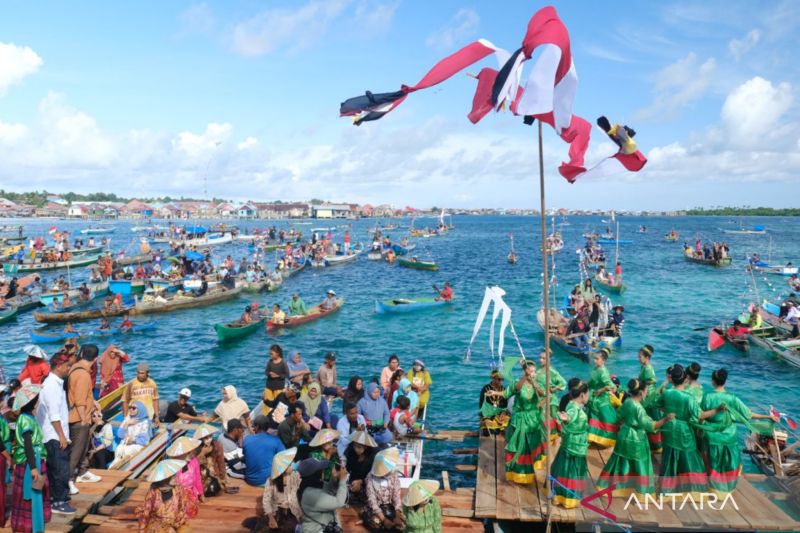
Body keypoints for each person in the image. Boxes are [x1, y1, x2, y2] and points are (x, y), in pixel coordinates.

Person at [701, 368, 776, 496]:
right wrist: (768, 417)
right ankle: (725, 488)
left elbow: (701, 415)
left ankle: (712, 486)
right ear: (725, 381)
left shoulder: (708, 396)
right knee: (729, 462)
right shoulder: (733, 398)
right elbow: (748, 414)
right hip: (729, 436)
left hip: (712, 435)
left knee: (713, 461)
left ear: (713, 381)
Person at [597, 379, 673, 497]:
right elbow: (651, 425)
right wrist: (666, 419)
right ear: (642, 393)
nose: (647, 392)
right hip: (637, 439)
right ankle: (641, 492)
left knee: (620, 461)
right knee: (640, 464)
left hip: (624, 435)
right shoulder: (639, 409)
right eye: (646, 390)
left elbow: (618, 417)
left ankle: (610, 486)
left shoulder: (627, 402)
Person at [657, 364, 724, 496]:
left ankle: (667, 488)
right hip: (684, 430)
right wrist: (717, 409)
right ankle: (692, 487)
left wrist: (670, 412)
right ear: (684, 378)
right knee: (690, 456)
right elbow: (700, 415)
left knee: (670, 456)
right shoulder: (688, 397)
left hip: (669, 427)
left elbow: (658, 405)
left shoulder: (667, 393)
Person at [487, 360, 546, 484]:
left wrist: (537, 391)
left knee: (531, 445)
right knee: (520, 446)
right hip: (519, 420)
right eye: (531, 372)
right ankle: (518, 474)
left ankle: (529, 472)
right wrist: (495, 392)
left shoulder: (539, 383)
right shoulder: (517, 383)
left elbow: (544, 395)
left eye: (535, 371)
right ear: (525, 372)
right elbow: (511, 391)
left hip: (533, 420)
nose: (534, 374)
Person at [35, 352, 75, 514]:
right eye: (68, 366)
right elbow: (54, 415)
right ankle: (59, 501)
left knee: (55, 468)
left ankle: (55, 497)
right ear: (59, 366)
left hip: (55, 433)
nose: (69, 369)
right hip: (53, 435)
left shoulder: (56, 383)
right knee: (60, 469)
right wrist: (62, 436)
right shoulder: (51, 385)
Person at [551, 380, 590, 508]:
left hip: (572, 442)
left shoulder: (574, 404)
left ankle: (559, 495)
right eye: (588, 394)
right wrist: (566, 418)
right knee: (572, 470)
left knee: (563, 468)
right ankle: (568, 498)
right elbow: (570, 416)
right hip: (575, 445)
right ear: (582, 395)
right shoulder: (573, 407)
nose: (589, 396)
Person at [67, 344, 102, 489]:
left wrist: (93, 402)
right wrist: (84, 420)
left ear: (81, 355)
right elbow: (80, 400)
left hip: (79, 416)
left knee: (82, 449)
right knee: (76, 452)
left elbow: (80, 393)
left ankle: (81, 472)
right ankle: (68, 480)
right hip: (78, 418)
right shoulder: (83, 375)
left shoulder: (75, 368)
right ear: (95, 359)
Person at [136, 459, 197, 533]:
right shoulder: (153, 492)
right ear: (164, 479)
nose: (176, 477)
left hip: (175, 521)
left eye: (175, 475)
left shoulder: (178, 488)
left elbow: (181, 508)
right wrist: (142, 530)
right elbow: (146, 513)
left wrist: (177, 524)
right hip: (158, 523)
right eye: (173, 476)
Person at [297, 457, 348, 533]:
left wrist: (334, 478)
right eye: (321, 471)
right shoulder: (310, 494)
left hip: (324, 527)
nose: (323, 472)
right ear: (315, 474)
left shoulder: (310, 485)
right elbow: (339, 502)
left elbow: (328, 489)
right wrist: (343, 480)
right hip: (316, 530)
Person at [363, 447, 405, 531]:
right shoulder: (370, 478)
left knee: (401, 526)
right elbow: (372, 501)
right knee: (377, 525)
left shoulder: (394, 475)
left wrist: (397, 515)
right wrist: (384, 519)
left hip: (390, 507)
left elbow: (396, 497)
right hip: (375, 508)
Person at [262, 447, 302, 532]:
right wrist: (271, 518)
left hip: (293, 510)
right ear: (283, 469)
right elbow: (266, 500)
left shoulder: (295, 475)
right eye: (290, 464)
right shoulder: (271, 481)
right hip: (277, 510)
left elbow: (300, 491)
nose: (293, 465)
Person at [587, 349, 619, 448]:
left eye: (597, 359)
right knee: (594, 418)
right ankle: (593, 438)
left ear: (603, 360)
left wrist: (601, 390)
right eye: (594, 358)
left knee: (603, 420)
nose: (594, 361)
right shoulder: (596, 369)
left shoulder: (603, 372)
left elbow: (612, 386)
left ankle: (606, 440)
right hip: (593, 397)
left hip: (601, 399)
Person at [243, 415, 285, 487]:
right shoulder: (275, 440)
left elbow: (246, 454)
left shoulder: (247, 439)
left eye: (254, 426)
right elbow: (284, 458)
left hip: (250, 480)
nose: (253, 428)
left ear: (257, 427)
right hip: (267, 481)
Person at [109, 401, 152, 468]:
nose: (131, 410)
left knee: (126, 451)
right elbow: (120, 434)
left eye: (134, 408)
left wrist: (133, 440)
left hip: (138, 445)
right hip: (125, 444)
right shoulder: (128, 419)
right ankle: (115, 468)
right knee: (119, 449)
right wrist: (127, 424)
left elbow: (145, 441)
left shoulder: (145, 422)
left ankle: (115, 468)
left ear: (140, 409)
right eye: (130, 408)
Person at [534, 351, 566, 440]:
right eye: (540, 357)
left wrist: (554, 389)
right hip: (539, 397)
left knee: (549, 419)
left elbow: (563, 383)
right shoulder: (538, 369)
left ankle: (551, 437)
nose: (541, 360)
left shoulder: (552, 372)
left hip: (549, 399)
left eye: (543, 358)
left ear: (549, 359)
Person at [166, 436, 204, 511]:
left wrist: (201, 493)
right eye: (187, 453)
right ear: (179, 454)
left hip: (191, 493)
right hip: (176, 494)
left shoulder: (194, 461)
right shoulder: (171, 465)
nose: (191, 454)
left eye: (191, 452)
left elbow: (198, 478)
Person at [637, 345, 663, 453]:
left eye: (640, 357)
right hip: (646, 394)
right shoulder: (644, 366)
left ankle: (657, 446)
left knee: (651, 419)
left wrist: (641, 382)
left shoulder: (648, 368)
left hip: (649, 397)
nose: (639, 358)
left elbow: (652, 380)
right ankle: (653, 445)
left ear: (647, 357)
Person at [194, 424, 230, 497]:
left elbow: (221, 462)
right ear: (201, 439)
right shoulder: (196, 448)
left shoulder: (217, 445)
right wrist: (202, 453)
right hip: (201, 474)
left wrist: (223, 478)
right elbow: (194, 465)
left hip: (214, 472)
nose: (209, 440)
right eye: (206, 438)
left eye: (210, 436)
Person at [344, 430, 378, 502]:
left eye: (359, 447)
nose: (356, 449)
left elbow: (374, 475)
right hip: (354, 479)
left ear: (365, 447)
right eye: (354, 446)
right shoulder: (351, 452)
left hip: (369, 481)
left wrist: (361, 481)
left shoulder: (372, 456)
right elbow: (348, 468)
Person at [122, 362, 159, 427]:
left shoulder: (152, 383)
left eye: (142, 373)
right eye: (138, 373)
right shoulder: (131, 384)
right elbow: (125, 400)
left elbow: (155, 400)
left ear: (147, 373)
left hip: (148, 416)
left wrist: (157, 416)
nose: (140, 375)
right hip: (134, 416)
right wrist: (125, 418)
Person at [478, 370, 509, 435]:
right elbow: (481, 404)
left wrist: (503, 412)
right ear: (493, 379)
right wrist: (485, 415)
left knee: (506, 423)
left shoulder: (503, 389)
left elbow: (505, 404)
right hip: (488, 414)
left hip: (499, 414)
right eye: (499, 379)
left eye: (502, 379)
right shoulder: (485, 388)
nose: (501, 381)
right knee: (488, 431)